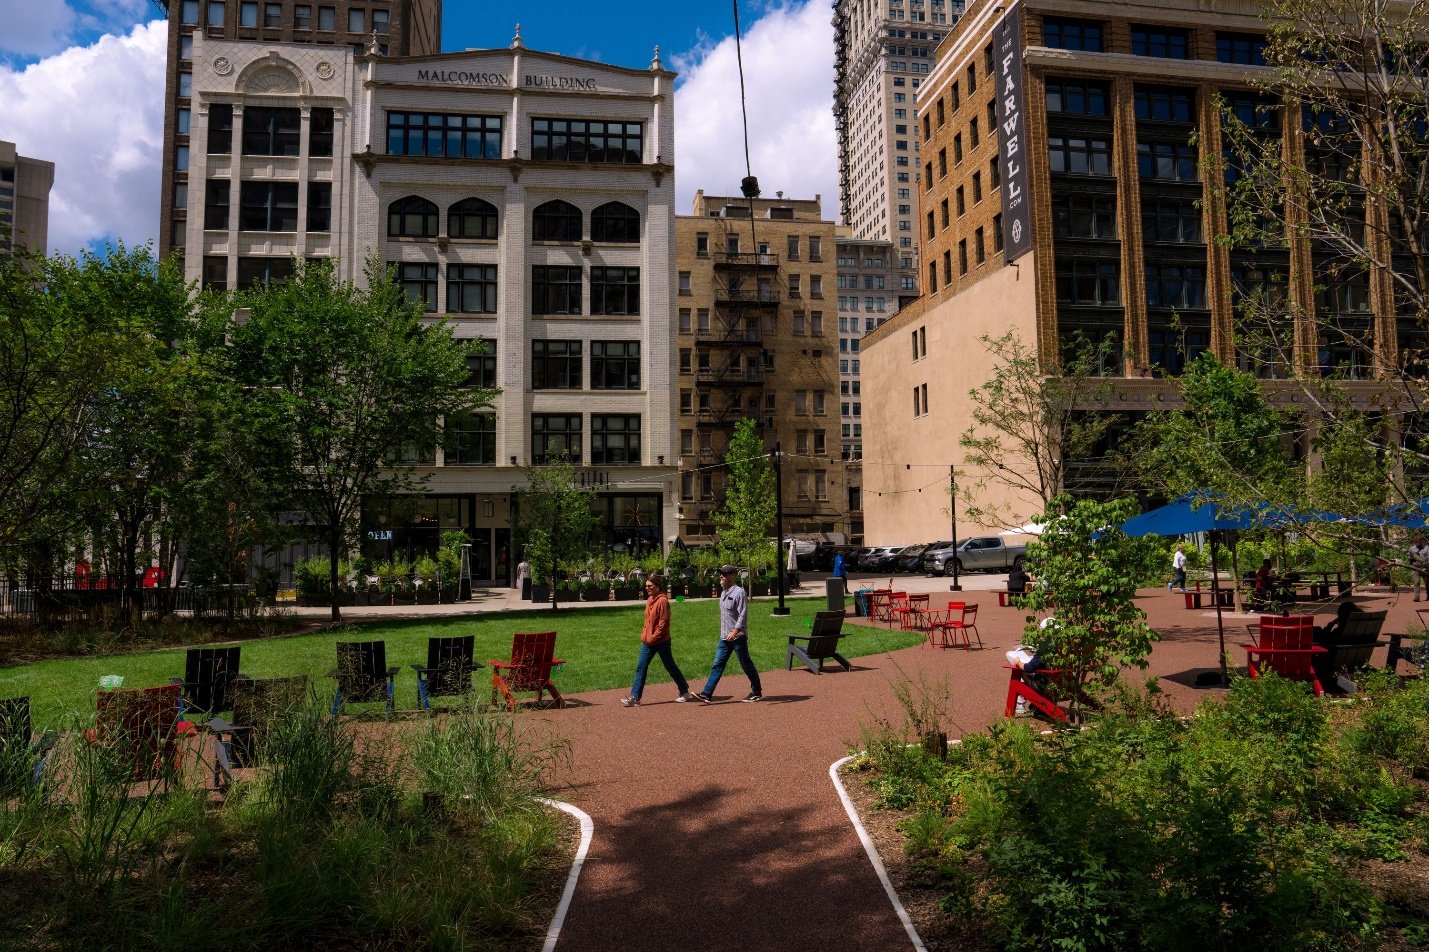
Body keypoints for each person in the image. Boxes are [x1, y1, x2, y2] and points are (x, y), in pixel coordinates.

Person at [694, 564, 763, 703]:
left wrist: (735, 631)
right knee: (717, 664)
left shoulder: (739, 592)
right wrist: (726, 633)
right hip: (725, 637)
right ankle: (706, 694)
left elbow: (743, 615)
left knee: (746, 664)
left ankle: (757, 692)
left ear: (732, 575)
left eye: (724, 574)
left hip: (738, 638)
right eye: (721, 574)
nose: (721, 576)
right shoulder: (724, 592)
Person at [620, 576, 692, 707]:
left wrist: (654, 637)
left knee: (670, 666)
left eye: (650, 586)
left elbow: (663, 623)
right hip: (648, 641)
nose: (647, 588)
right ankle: (635, 697)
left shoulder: (663, 601)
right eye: (646, 586)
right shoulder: (649, 600)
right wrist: (645, 634)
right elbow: (647, 621)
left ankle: (684, 692)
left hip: (661, 641)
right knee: (641, 666)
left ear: (658, 586)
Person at [1411, 537, 1429, 602]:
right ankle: (1417, 597)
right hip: (1415, 568)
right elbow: (1410, 558)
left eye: (1418, 542)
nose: (1417, 544)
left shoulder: (1427, 548)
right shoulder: (1412, 548)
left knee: (1427, 583)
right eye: (1416, 543)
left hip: (1425, 568)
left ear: (1422, 542)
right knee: (1416, 582)